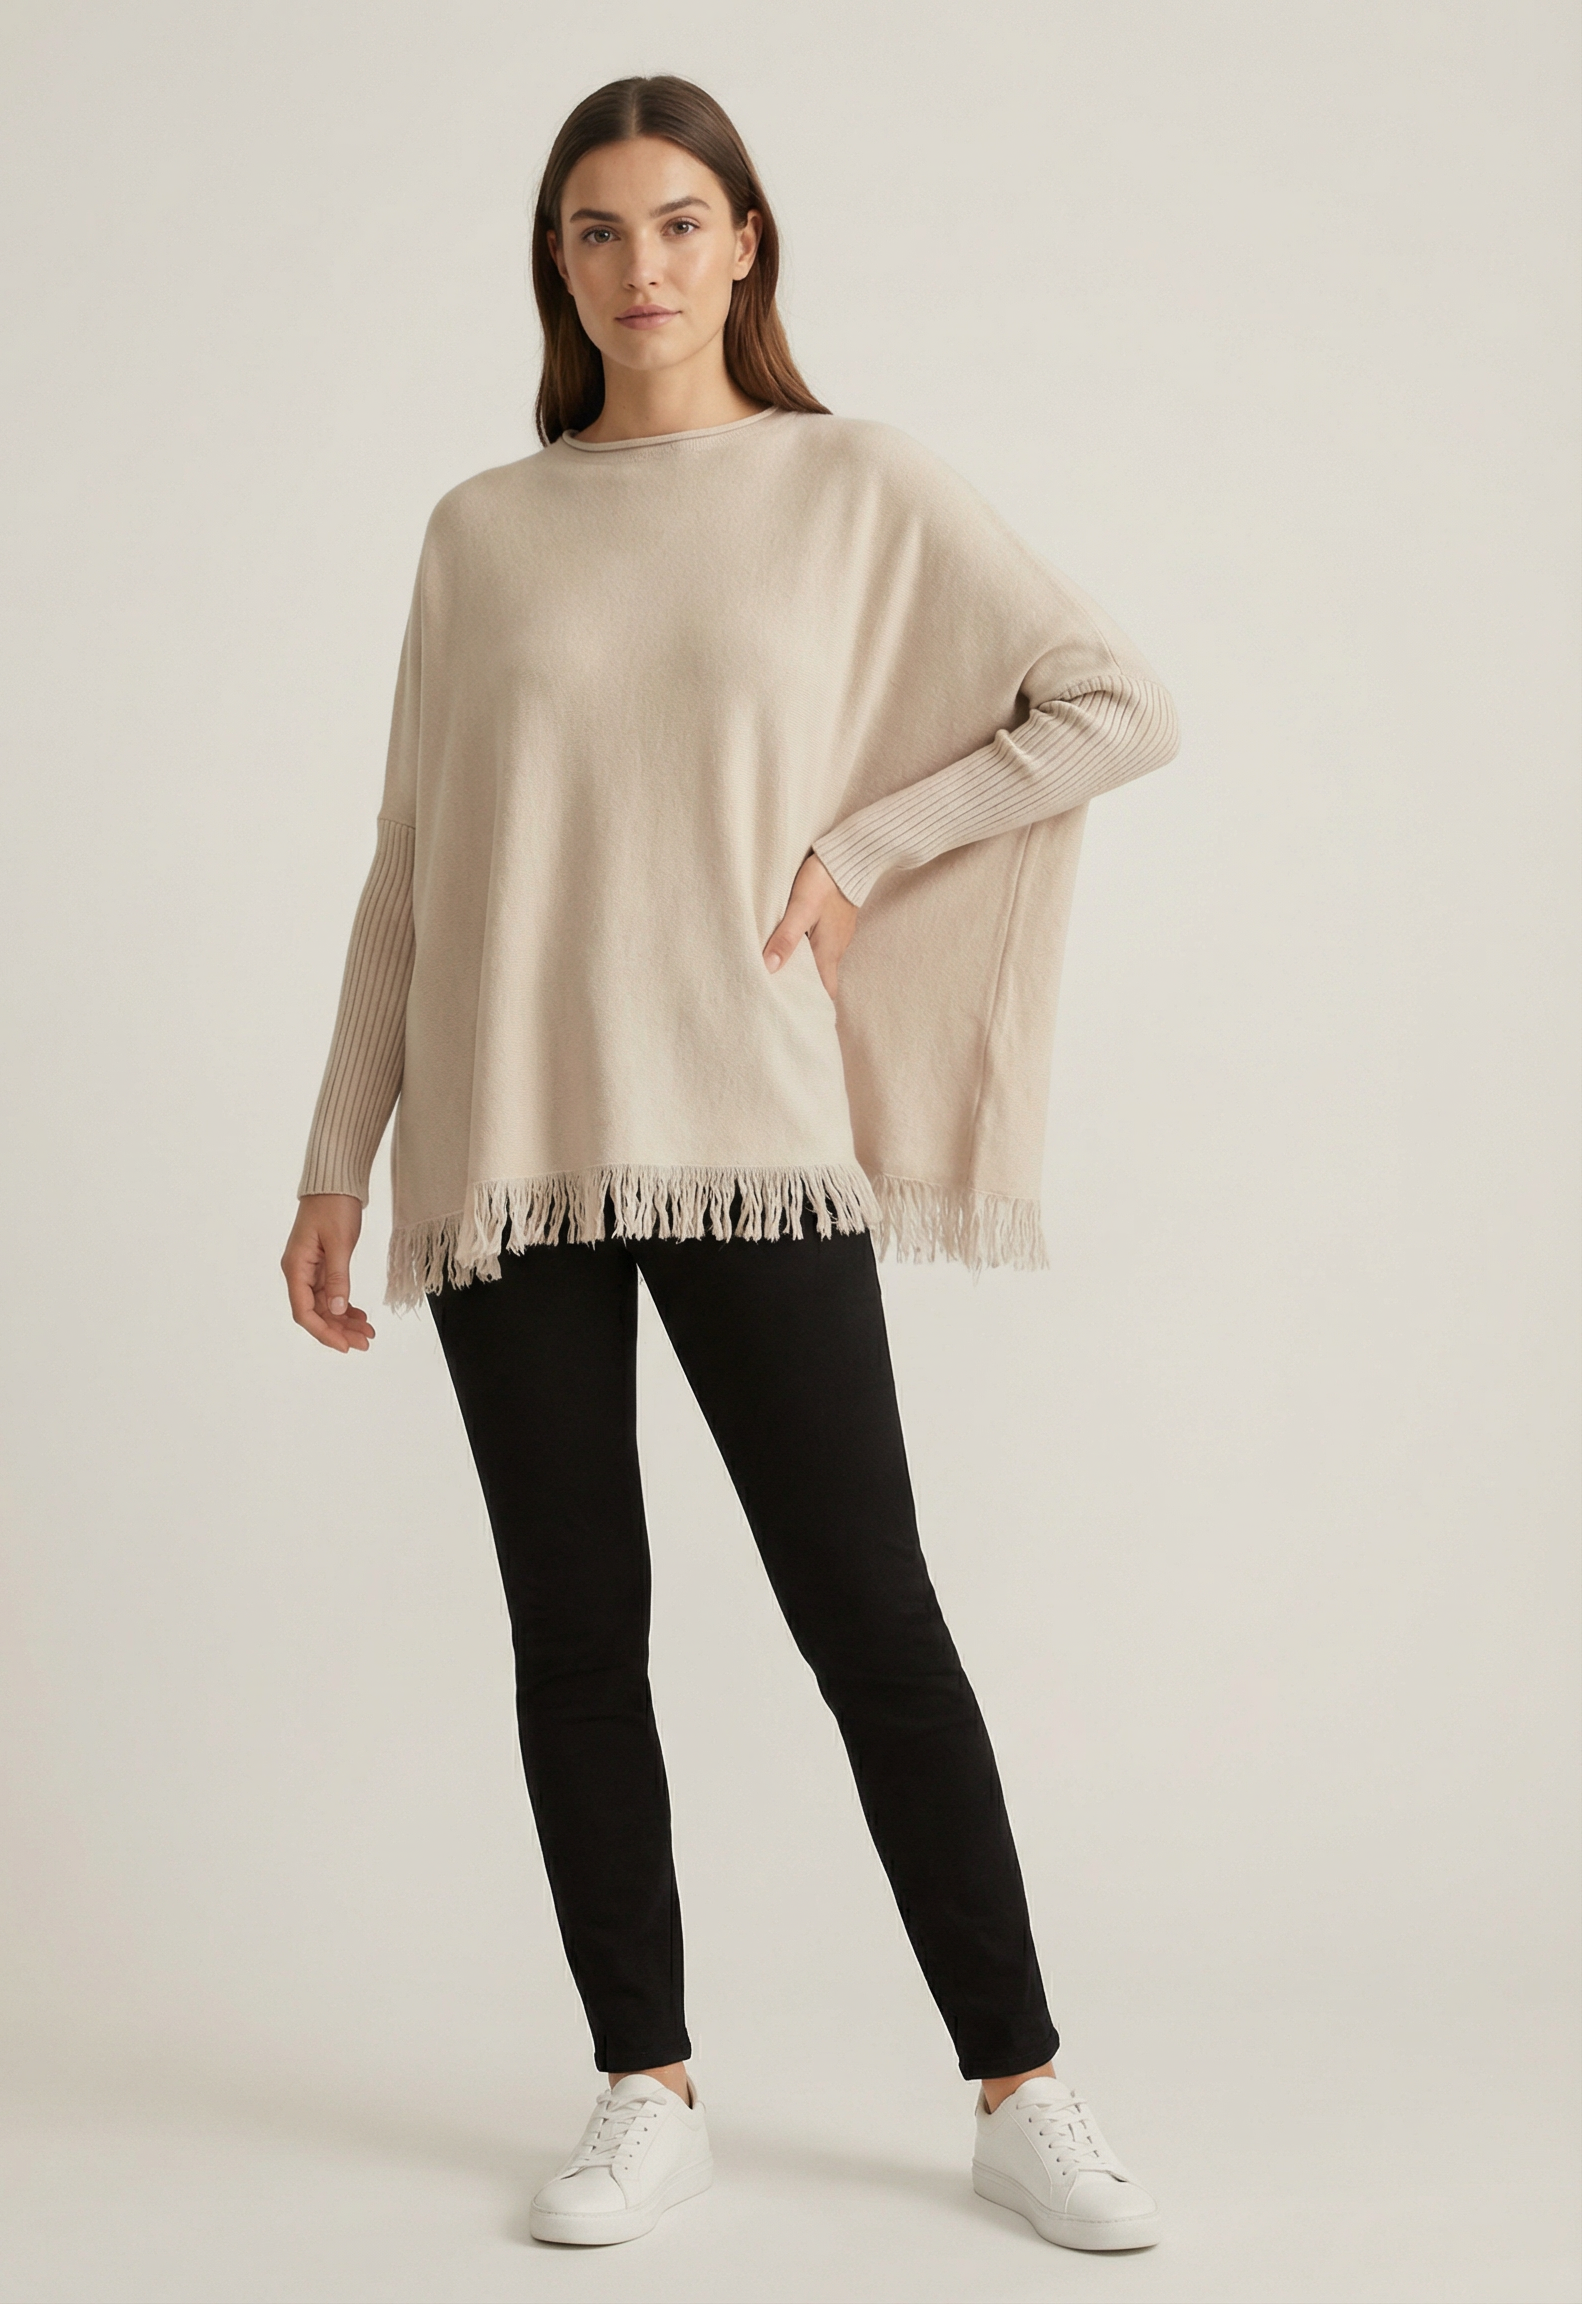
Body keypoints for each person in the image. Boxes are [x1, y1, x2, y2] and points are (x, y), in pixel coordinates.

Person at [281, 74, 1180, 2256]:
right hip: (508, 1150)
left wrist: (863, 852)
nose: (642, 266)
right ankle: (643, 2082)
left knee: (868, 1609)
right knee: (575, 1632)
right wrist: (336, 1157)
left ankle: (1020, 2086)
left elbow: (1109, 703)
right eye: (597, 230)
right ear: (557, 261)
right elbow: (411, 858)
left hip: (747, 1135)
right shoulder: (480, 530)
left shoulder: (850, 483)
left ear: (747, 241)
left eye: (680, 222)